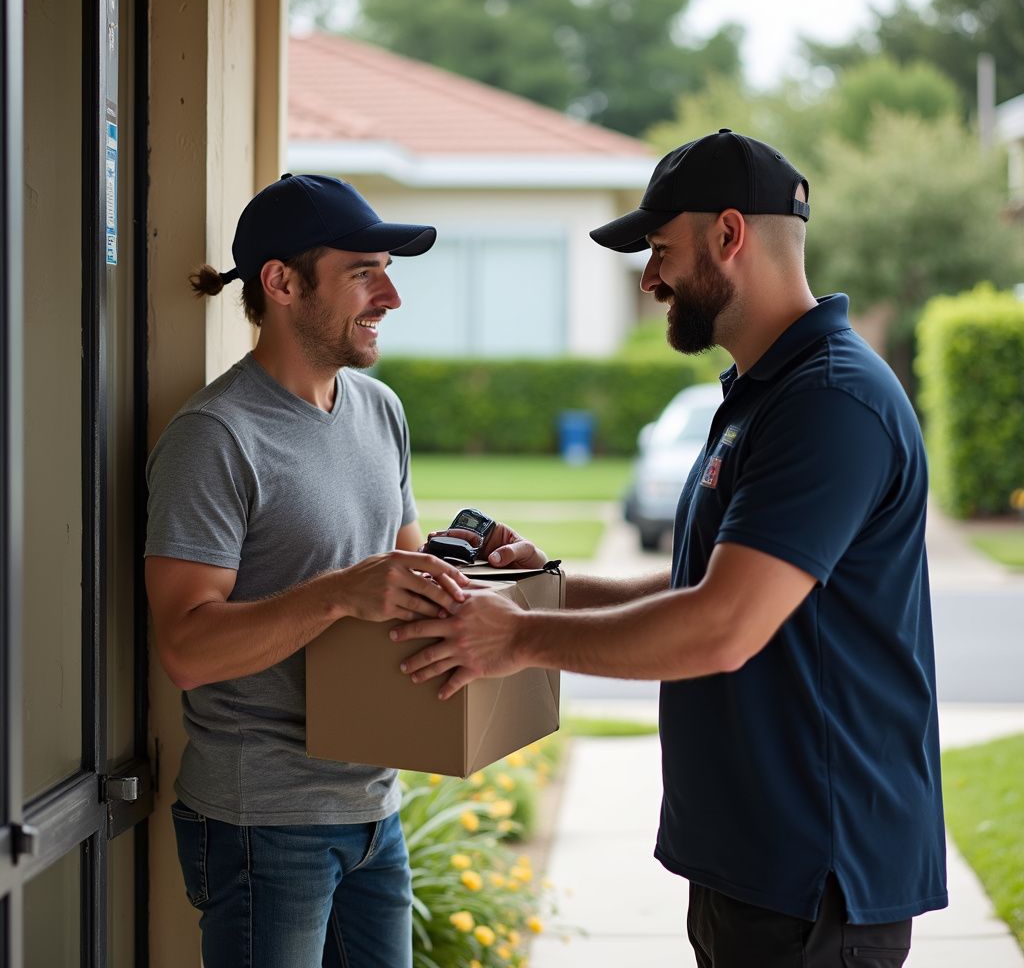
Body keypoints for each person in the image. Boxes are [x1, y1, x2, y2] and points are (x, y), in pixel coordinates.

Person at [392, 130, 948, 967]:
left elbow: (721, 627)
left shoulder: (830, 401)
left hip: (817, 874)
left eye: (660, 251)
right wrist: (549, 587)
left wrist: (516, 639)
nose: (649, 278)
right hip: (753, 860)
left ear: (730, 235)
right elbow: (707, 585)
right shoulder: (764, 394)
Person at [145, 173, 512, 968]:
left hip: (374, 808)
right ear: (280, 282)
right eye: (362, 272)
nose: (390, 296)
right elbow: (185, 646)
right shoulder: (214, 438)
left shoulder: (380, 411)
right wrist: (343, 591)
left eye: (388, 270)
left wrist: (472, 561)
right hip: (261, 821)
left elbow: (402, 569)